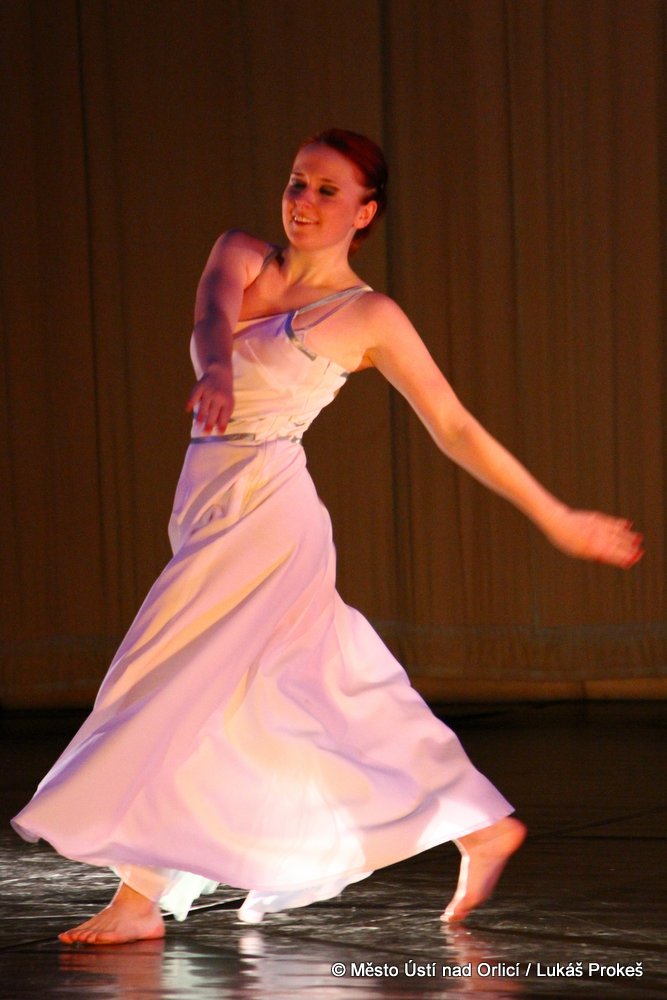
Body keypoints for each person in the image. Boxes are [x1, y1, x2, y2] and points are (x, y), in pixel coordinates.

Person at [12, 129, 643, 946]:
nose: (303, 202)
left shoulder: (368, 314)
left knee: (168, 679)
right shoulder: (242, 255)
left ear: (364, 212)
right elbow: (211, 318)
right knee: (302, 687)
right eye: (296, 183)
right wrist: (215, 368)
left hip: (268, 514)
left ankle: (139, 897)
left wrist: (555, 516)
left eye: (326, 190)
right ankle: (478, 822)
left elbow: (453, 426)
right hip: (208, 502)